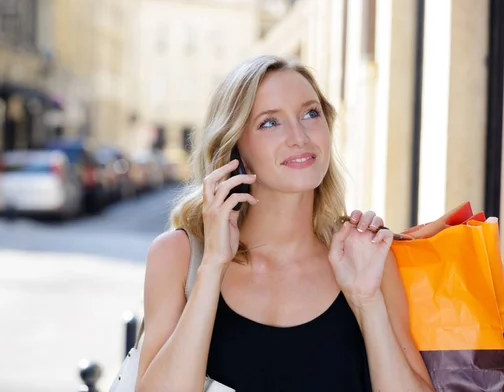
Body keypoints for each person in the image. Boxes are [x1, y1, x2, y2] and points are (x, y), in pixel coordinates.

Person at [136, 56, 434, 391]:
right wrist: (213, 266)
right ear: (235, 149)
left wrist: (367, 301)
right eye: (269, 123)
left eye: (310, 113)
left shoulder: (365, 257)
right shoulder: (178, 257)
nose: (299, 136)